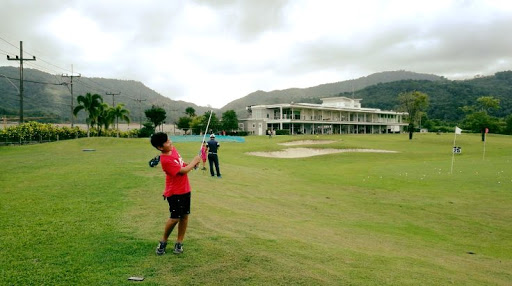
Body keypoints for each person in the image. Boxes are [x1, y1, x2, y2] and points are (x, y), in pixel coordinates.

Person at [150, 132, 201, 255]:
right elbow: (182, 171)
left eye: (169, 139)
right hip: (175, 192)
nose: (171, 142)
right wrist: (194, 162)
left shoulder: (173, 150)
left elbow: (181, 164)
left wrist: (191, 164)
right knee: (174, 218)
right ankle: (163, 241)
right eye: (167, 142)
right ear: (160, 147)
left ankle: (179, 242)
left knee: (184, 216)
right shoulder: (165, 160)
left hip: (185, 189)